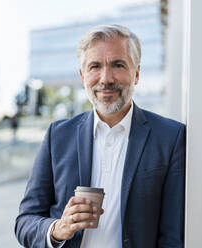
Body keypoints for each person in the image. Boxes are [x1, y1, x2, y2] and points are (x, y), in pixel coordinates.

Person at [15, 24, 185, 248]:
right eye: (95, 66)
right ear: (83, 75)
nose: (106, 78)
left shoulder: (170, 137)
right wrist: (58, 229)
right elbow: (25, 222)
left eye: (118, 65)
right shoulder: (57, 136)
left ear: (136, 73)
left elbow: (172, 237)